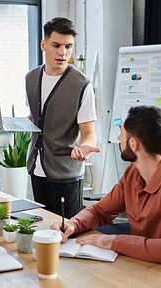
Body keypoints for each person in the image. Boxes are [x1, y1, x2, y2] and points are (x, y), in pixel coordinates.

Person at [51, 105, 161, 275]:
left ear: (133, 144)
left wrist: (113, 242)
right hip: (148, 270)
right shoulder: (134, 172)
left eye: (121, 132)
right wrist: (72, 224)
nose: (119, 137)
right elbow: (101, 211)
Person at [26, 17, 100, 218]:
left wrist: (85, 149)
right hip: (37, 168)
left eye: (69, 46)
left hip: (66, 173)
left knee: (67, 234)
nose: (63, 52)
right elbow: (37, 117)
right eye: (56, 45)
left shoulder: (82, 85)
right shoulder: (31, 78)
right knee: (42, 229)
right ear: (43, 45)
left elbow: (89, 133)